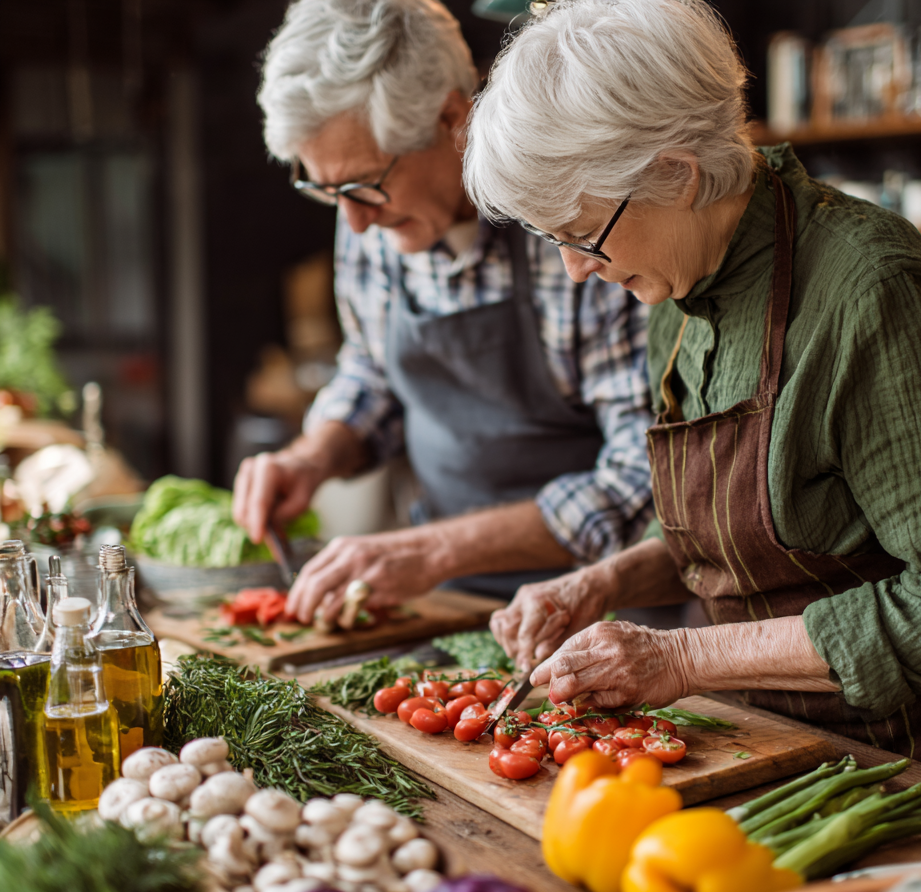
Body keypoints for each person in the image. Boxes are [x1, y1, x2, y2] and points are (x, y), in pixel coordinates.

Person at [461, 0, 921, 791]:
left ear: (677, 176)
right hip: (762, 743)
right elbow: (762, 541)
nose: (575, 270)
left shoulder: (871, 294)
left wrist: (683, 656)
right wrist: (605, 584)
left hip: (915, 778)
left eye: (582, 235)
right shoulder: (677, 289)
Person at [232, 0, 652, 622]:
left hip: (602, 615)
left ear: (453, 117)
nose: (353, 221)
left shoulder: (574, 224)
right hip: (442, 601)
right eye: (328, 191)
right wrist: (314, 455)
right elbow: (373, 373)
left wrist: (434, 547)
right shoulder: (371, 216)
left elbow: (640, 477)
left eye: (365, 184)